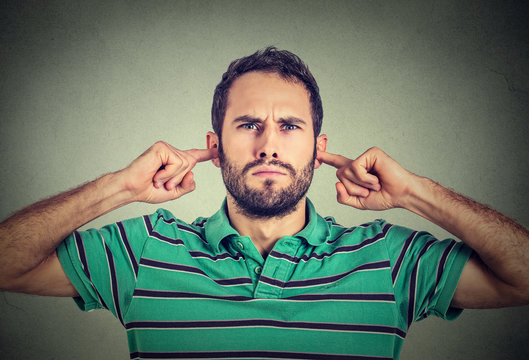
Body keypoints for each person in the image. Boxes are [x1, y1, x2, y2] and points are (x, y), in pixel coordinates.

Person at [0, 47, 528, 360]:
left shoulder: (388, 261)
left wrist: (413, 192)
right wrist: (120, 187)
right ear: (215, 145)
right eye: (249, 124)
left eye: (290, 126)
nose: (269, 144)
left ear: (319, 149)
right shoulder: (144, 250)